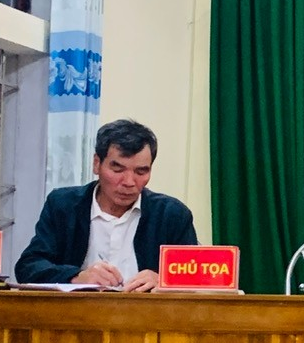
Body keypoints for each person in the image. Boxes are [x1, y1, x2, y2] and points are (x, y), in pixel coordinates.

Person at [15, 119, 198, 291]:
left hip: (146, 312)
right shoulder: (63, 205)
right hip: (76, 311)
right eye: (118, 169)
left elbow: (195, 277)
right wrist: (77, 277)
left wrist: (164, 280)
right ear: (97, 164)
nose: (129, 182)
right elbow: (28, 267)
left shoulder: (172, 215)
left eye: (141, 172)